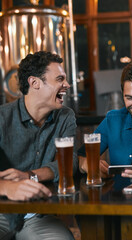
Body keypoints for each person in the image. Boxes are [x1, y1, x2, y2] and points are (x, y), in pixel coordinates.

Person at [0, 51, 77, 240]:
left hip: (37, 215)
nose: (67, 85)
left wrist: (29, 176)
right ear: (34, 83)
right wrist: (6, 187)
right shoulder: (2, 118)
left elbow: (69, 162)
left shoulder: (65, 117)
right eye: (60, 79)